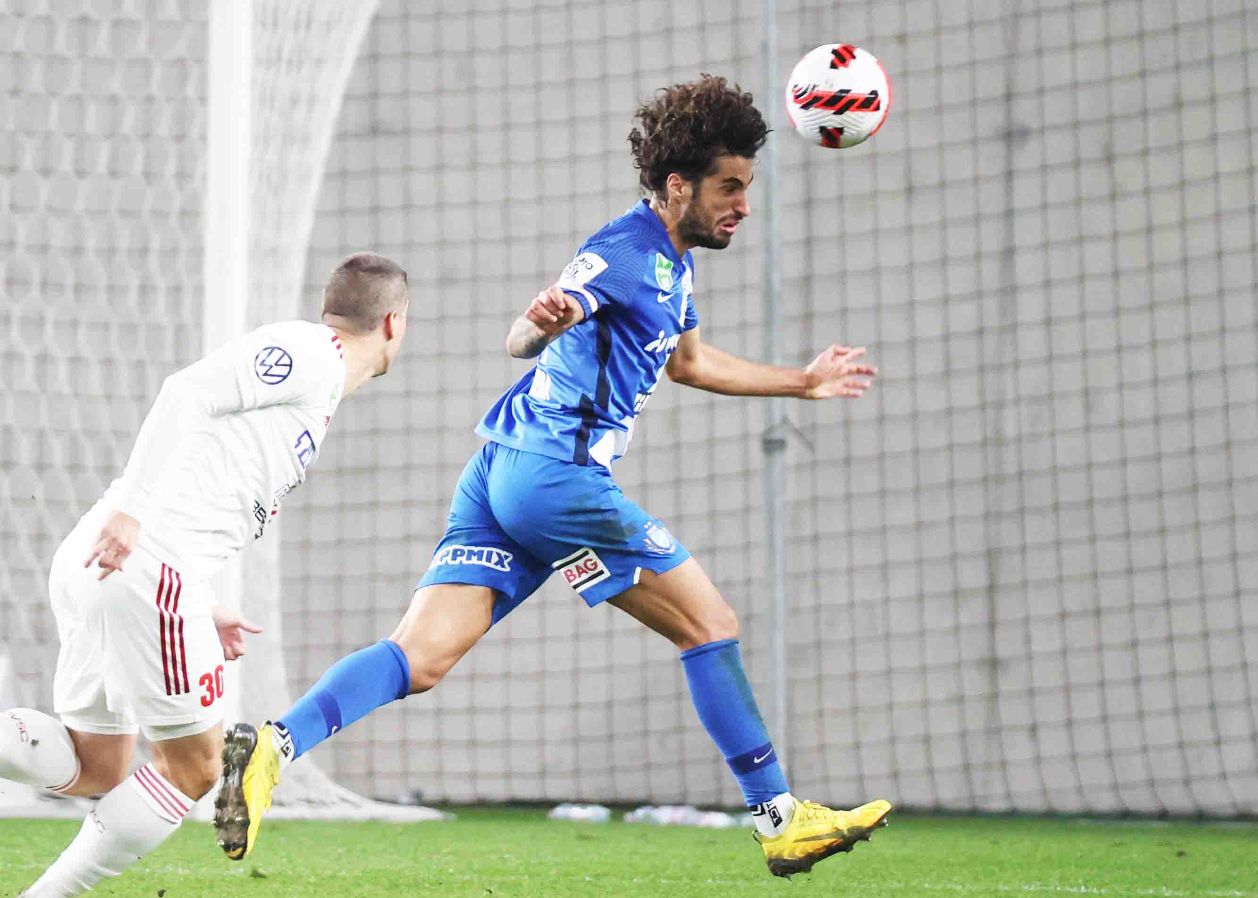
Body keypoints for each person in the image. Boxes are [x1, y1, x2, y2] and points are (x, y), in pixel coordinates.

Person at [216, 77, 887, 879]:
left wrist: (802, 382)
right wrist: (540, 325)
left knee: (420, 657)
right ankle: (779, 817)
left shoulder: (674, 267)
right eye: (729, 188)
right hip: (557, 482)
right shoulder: (625, 252)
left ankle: (274, 747)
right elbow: (523, 335)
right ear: (679, 186)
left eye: (746, 186)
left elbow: (690, 363)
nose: (743, 204)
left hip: (501, 471)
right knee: (708, 625)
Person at [2, 252, 411, 897]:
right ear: (394, 322)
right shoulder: (310, 352)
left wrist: (200, 601)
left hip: (108, 561)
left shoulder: (317, 389)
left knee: (96, 767)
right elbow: (185, 392)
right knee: (195, 768)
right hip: (139, 559)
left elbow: (206, 479)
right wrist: (134, 516)